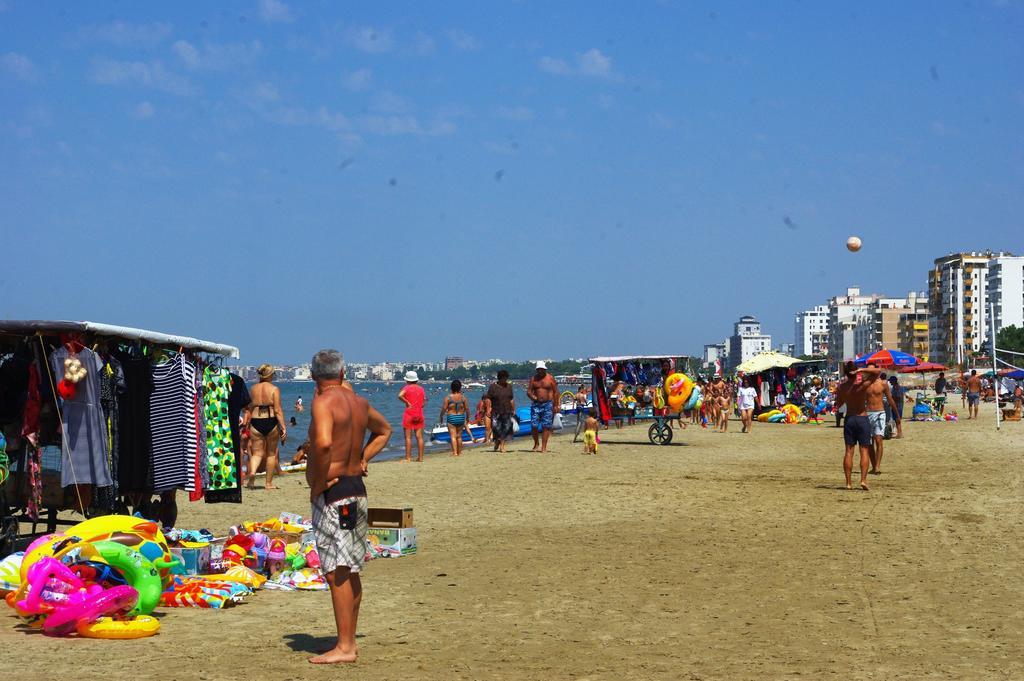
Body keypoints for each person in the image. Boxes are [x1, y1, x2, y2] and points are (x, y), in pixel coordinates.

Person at [305, 349, 391, 665]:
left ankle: (345, 646)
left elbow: (325, 443)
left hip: (335, 493)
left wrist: (319, 482)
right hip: (356, 490)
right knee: (349, 568)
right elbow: (384, 431)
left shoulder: (322, 401)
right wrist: (364, 456)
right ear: (343, 373)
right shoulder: (359, 403)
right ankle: (348, 640)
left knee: (337, 571)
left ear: (314, 375)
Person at [835, 362, 882, 490]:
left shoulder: (842, 387)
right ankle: (863, 480)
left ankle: (848, 483)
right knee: (864, 450)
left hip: (850, 418)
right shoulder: (862, 384)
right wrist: (861, 369)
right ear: (855, 372)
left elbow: (838, 404)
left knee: (849, 452)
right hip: (862, 418)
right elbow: (878, 372)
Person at [245, 364, 287, 490]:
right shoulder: (274, 389)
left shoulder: (253, 389)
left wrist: (247, 424)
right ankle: (268, 484)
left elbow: (249, 408)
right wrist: (283, 427)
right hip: (271, 421)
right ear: (270, 375)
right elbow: (278, 410)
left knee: (257, 453)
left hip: (256, 421)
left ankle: (252, 474)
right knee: (271, 454)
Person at [864, 364, 899, 474]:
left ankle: (877, 467)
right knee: (869, 443)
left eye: (872, 369)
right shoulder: (865, 384)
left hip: (880, 413)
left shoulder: (883, 384)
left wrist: (896, 415)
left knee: (878, 439)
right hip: (867, 413)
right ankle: (874, 466)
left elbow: (890, 400)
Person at [527, 361, 559, 452]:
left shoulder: (550, 378)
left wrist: (556, 405)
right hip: (536, 404)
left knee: (546, 426)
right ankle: (536, 443)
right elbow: (529, 391)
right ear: (537, 370)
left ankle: (544, 447)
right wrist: (532, 396)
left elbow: (556, 392)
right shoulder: (533, 379)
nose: (540, 371)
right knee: (534, 425)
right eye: (539, 369)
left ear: (545, 369)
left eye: (542, 369)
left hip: (548, 404)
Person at [398, 371, 427, 462]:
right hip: (419, 413)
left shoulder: (407, 387)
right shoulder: (421, 389)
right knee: (419, 437)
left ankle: (408, 458)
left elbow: (399, 395)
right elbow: (424, 402)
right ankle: (421, 457)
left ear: (407, 380)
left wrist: (406, 402)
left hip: (409, 413)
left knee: (408, 437)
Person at [486, 370, 516, 453]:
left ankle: (502, 446)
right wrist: (488, 409)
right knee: (495, 428)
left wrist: (513, 409)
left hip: (507, 410)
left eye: (506, 378)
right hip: (496, 411)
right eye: (504, 379)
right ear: (499, 378)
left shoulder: (509, 386)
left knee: (505, 429)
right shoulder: (492, 387)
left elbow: (511, 399)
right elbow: (488, 398)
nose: (505, 380)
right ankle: (497, 442)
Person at [440, 380, 472, 456]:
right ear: (460, 387)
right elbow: (467, 409)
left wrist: (441, 416)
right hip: (461, 417)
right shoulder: (463, 398)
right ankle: (459, 452)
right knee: (459, 436)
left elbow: (444, 408)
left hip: (451, 417)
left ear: (451, 387)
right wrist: (468, 418)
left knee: (453, 436)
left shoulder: (448, 397)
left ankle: (455, 453)